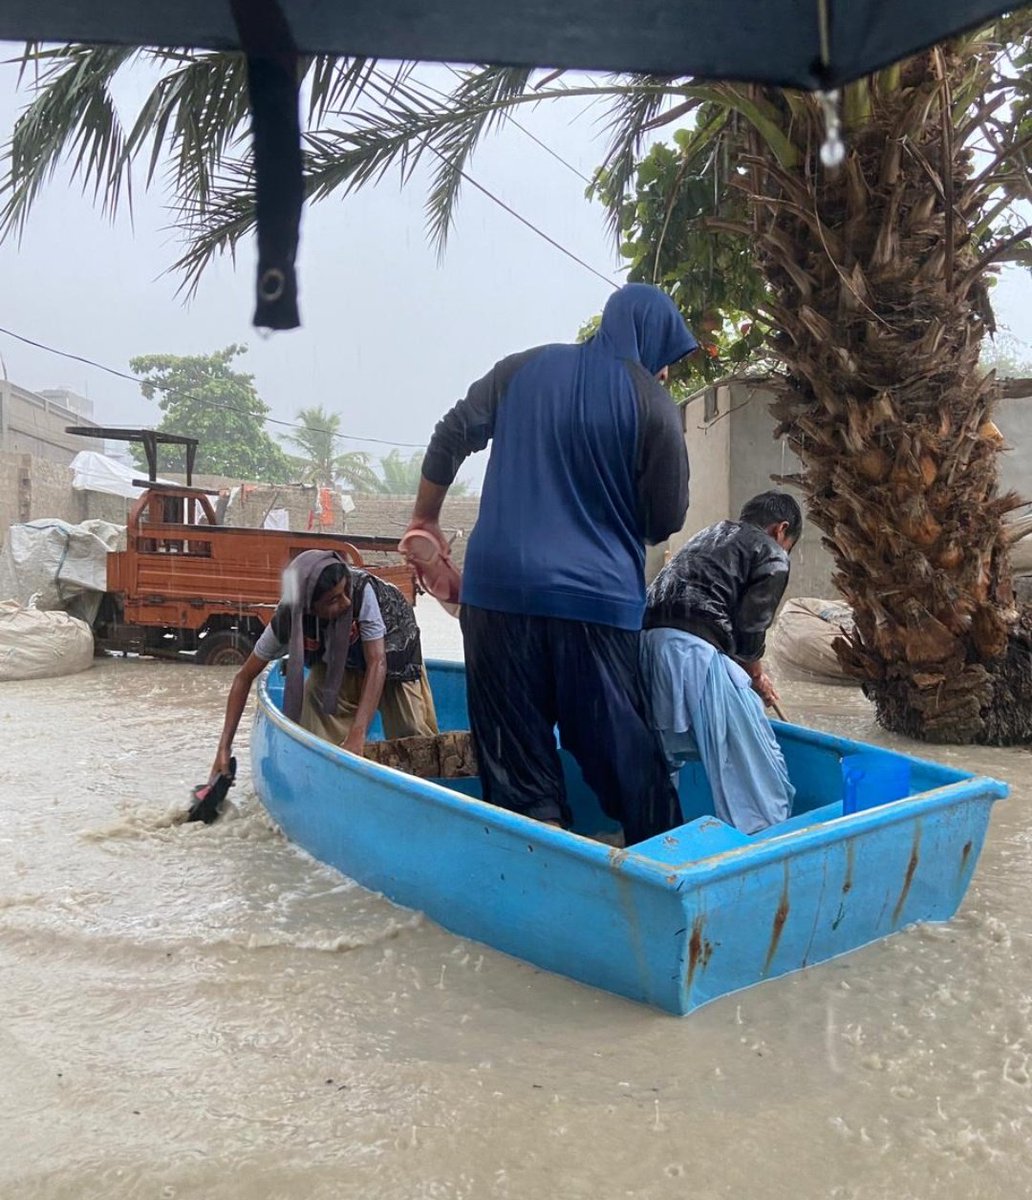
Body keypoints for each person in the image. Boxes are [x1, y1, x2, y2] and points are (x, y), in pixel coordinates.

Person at [403, 283, 697, 844]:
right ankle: (658, 865)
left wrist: (425, 521)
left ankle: (541, 863)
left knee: (519, 769)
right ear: (651, 341)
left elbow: (450, 434)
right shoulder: (651, 402)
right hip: (597, 604)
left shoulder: (522, 368)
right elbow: (665, 519)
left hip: (496, 597)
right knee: (628, 761)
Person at [640, 491, 802, 835]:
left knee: (663, 755)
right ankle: (765, 846)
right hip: (695, 651)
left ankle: (659, 839)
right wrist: (757, 675)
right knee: (755, 767)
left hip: (647, 645)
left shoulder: (708, 536)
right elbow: (750, 629)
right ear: (780, 530)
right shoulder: (770, 552)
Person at [210, 549, 437, 779]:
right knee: (316, 699)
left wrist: (358, 734)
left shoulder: (361, 591)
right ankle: (323, 775)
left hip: (394, 653)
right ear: (309, 607)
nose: (346, 602)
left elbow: (377, 662)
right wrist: (224, 748)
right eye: (333, 600)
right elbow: (244, 677)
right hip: (338, 659)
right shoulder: (289, 618)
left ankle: (422, 789)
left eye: (344, 591)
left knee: (411, 735)